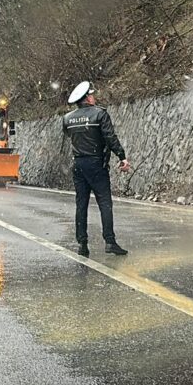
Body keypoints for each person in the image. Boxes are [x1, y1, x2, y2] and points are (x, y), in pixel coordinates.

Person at [62, 81, 132, 257]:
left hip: (78, 165)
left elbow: (70, 136)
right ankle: (109, 241)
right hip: (96, 164)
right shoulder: (100, 114)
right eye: (92, 95)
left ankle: (82, 243)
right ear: (87, 98)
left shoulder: (68, 118)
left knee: (81, 204)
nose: (94, 97)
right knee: (105, 203)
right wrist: (122, 156)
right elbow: (110, 137)